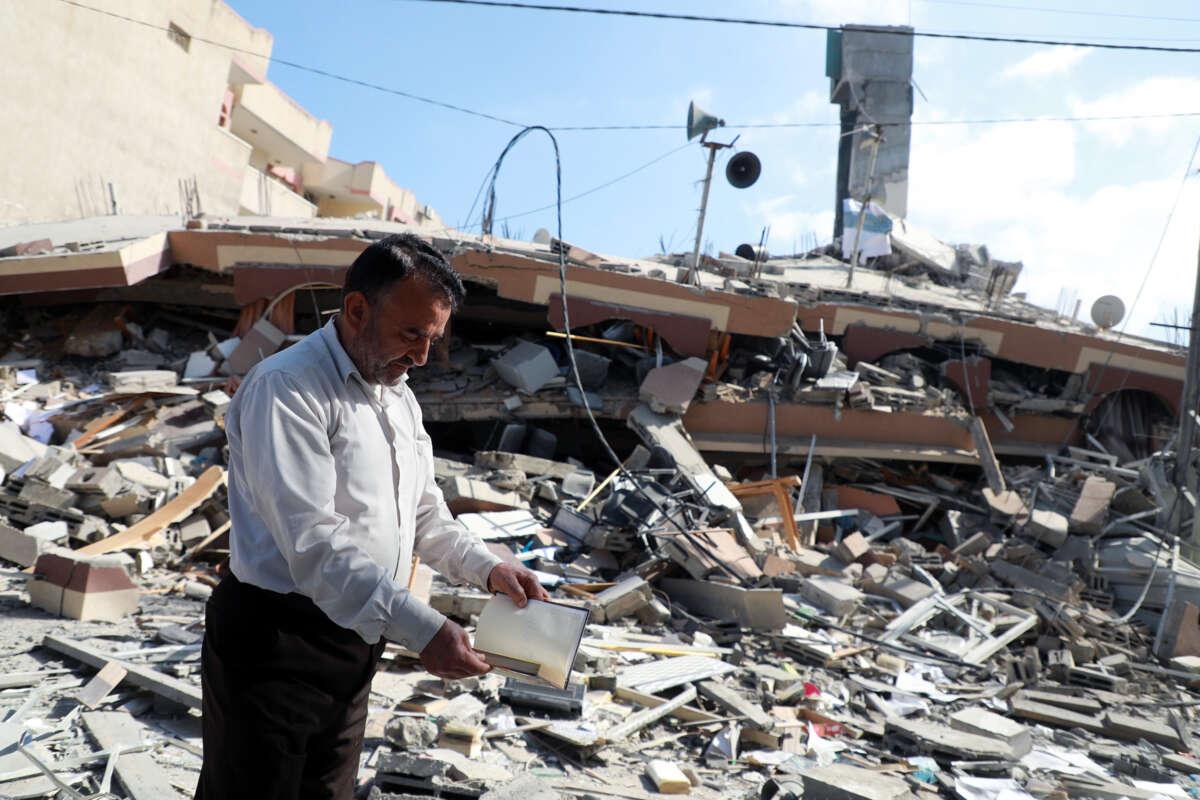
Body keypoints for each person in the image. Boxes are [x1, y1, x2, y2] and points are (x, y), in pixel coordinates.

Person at [196, 233, 549, 800]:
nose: (422, 357)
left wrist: (488, 569)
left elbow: (426, 512)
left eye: (433, 339)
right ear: (358, 309)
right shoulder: (288, 388)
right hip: (275, 644)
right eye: (412, 334)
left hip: (356, 640)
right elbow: (314, 545)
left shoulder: (398, 396)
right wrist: (424, 629)